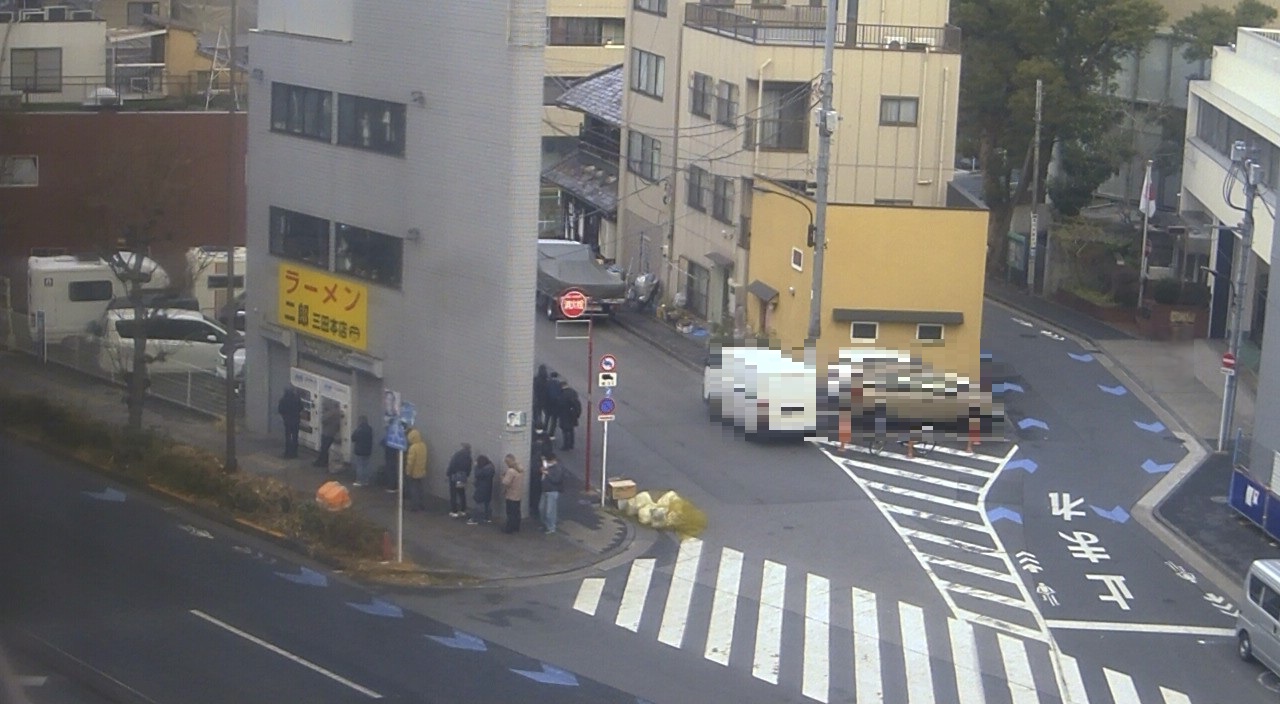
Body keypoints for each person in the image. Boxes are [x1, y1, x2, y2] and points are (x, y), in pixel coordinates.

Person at [528, 425, 554, 518]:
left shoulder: (533, 438)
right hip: (540, 478)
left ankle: (534, 507)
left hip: (535, 474)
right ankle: (536, 509)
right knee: (538, 492)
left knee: (534, 491)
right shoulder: (546, 438)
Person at [539, 453, 566, 534]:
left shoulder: (558, 468)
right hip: (545, 489)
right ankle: (546, 524)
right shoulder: (549, 466)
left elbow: (556, 480)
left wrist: (547, 473)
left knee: (550, 511)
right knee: (541, 508)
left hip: (552, 491)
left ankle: (551, 527)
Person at [313, 400, 343, 471]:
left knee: (324, 448)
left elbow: (323, 420)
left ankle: (321, 462)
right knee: (326, 448)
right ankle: (325, 461)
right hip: (333, 433)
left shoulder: (331, 413)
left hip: (327, 432)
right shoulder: (339, 413)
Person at [467, 454, 496, 525]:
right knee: (487, 504)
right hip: (488, 488)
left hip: (481, 488)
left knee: (478, 503)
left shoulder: (483, 470)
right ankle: (487, 518)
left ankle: (476, 519)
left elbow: (477, 474)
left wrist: (476, 467)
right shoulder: (491, 468)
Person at [446, 442, 472, 518]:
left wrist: (448, 473)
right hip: (463, 476)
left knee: (453, 493)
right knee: (461, 492)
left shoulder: (458, 454)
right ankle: (463, 510)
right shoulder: (469, 457)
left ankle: (454, 511)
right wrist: (466, 475)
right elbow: (469, 468)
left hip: (455, 475)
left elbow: (452, 464)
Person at [404, 428, 428, 511]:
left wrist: (408, 472)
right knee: (420, 488)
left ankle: (414, 506)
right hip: (421, 471)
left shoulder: (413, 448)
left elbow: (410, 462)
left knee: (413, 490)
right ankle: (421, 504)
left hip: (414, 472)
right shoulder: (423, 445)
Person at [500, 454, 524, 533]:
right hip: (518, 494)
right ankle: (516, 527)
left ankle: (509, 529)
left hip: (511, 494)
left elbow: (506, 482)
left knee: (510, 513)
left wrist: (502, 477)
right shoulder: (520, 469)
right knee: (517, 512)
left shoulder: (510, 471)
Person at [277, 387, 302, 458]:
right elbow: (301, 408)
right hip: (296, 420)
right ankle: (295, 453)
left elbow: (280, 410)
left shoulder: (283, 400)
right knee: (295, 437)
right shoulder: (297, 399)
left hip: (287, 421)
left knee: (288, 437)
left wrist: (284, 416)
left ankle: (287, 453)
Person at [351, 415, 374, 486]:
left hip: (359, 450)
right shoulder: (370, 429)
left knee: (360, 466)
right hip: (368, 450)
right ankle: (366, 480)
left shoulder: (359, 429)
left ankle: (359, 481)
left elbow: (353, 438)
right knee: (366, 466)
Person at [559, 382, 582, 451]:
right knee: (571, 430)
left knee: (565, 430)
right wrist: (577, 414)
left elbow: (560, 404)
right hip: (573, 415)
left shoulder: (562, 394)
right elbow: (577, 403)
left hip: (564, 414)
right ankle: (571, 444)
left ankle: (566, 445)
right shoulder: (573, 392)